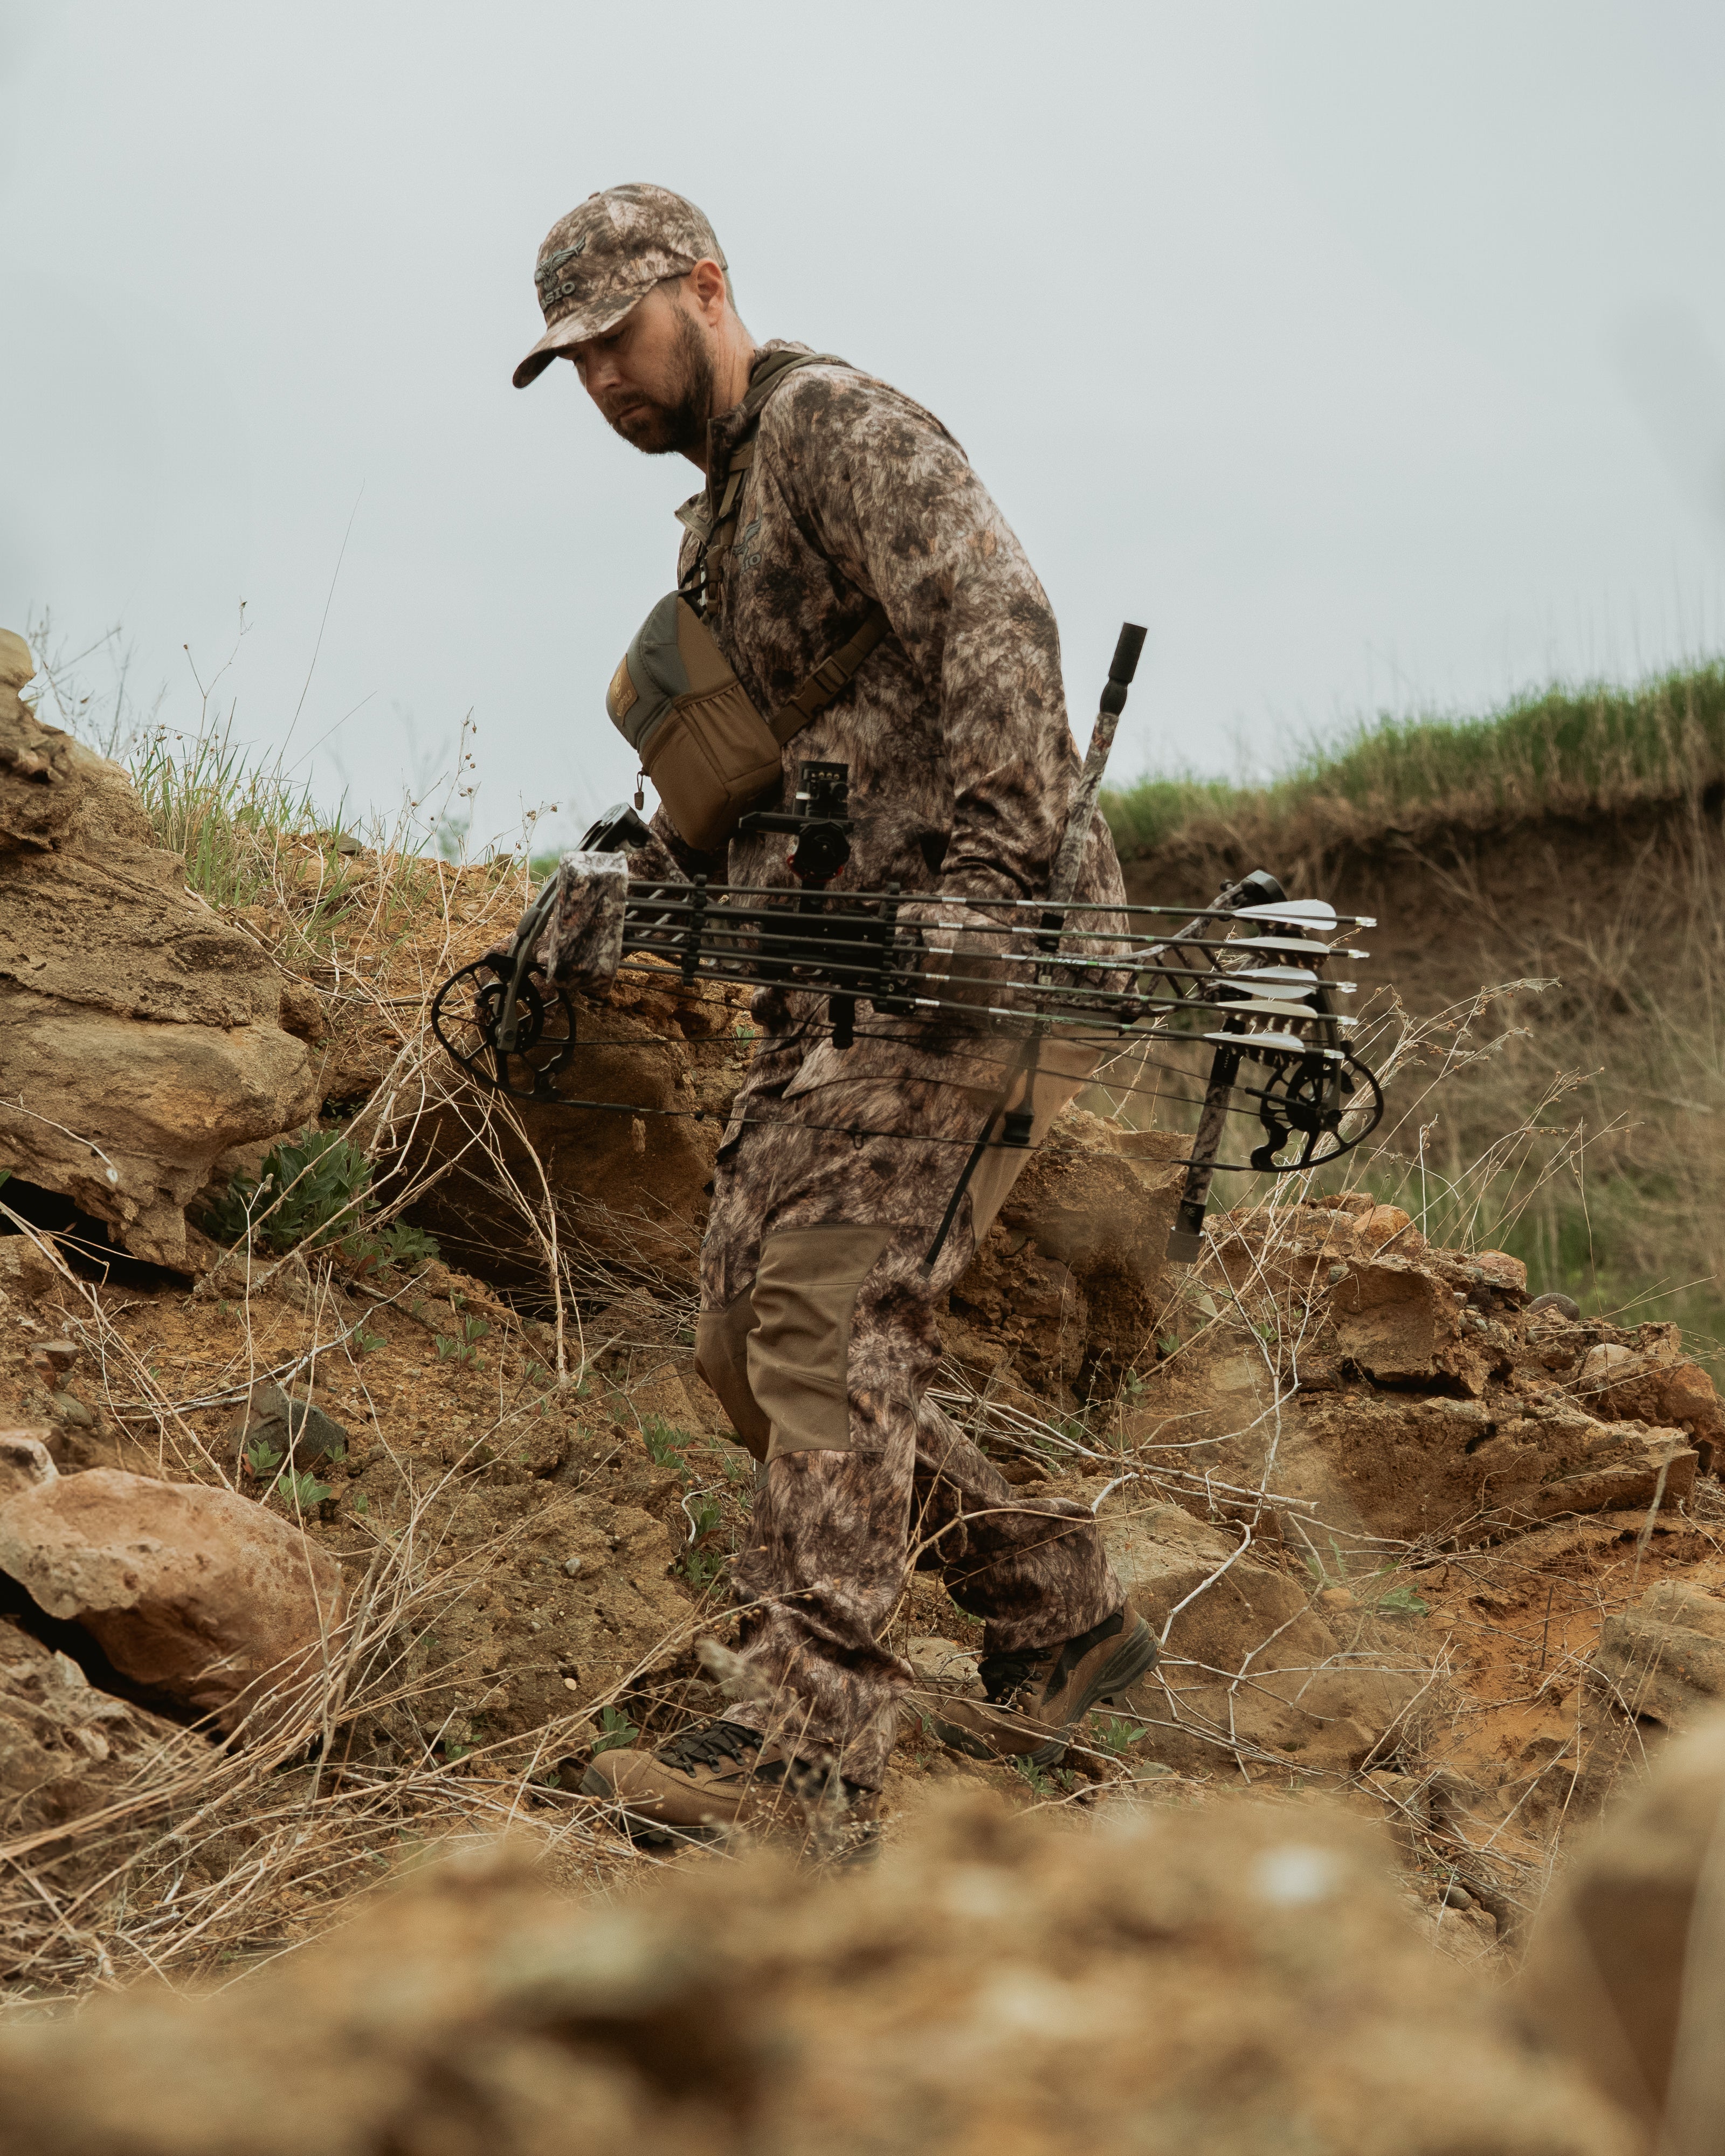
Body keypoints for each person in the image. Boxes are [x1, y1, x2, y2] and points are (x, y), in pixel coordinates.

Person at [511, 183, 1155, 1842]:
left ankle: (807, 1763)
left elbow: (998, 621)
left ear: (707, 289)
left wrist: (996, 887)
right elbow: (752, 770)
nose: (602, 384)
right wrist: (634, 880)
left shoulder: (839, 427)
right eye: (573, 364)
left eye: (619, 340)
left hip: (989, 964)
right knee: (745, 1346)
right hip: (850, 986)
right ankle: (1052, 1605)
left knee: (822, 1310)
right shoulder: (716, 517)